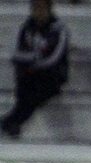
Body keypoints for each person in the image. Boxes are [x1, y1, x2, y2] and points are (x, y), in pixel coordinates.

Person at [1, 0, 68, 140]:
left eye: (42, 9)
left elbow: (53, 58)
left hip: (52, 76)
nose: (39, 12)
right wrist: (32, 59)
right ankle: (12, 125)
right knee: (24, 88)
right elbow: (18, 54)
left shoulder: (58, 29)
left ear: (49, 10)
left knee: (32, 95)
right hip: (30, 74)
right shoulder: (26, 28)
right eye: (35, 8)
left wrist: (33, 61)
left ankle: (9, 123)